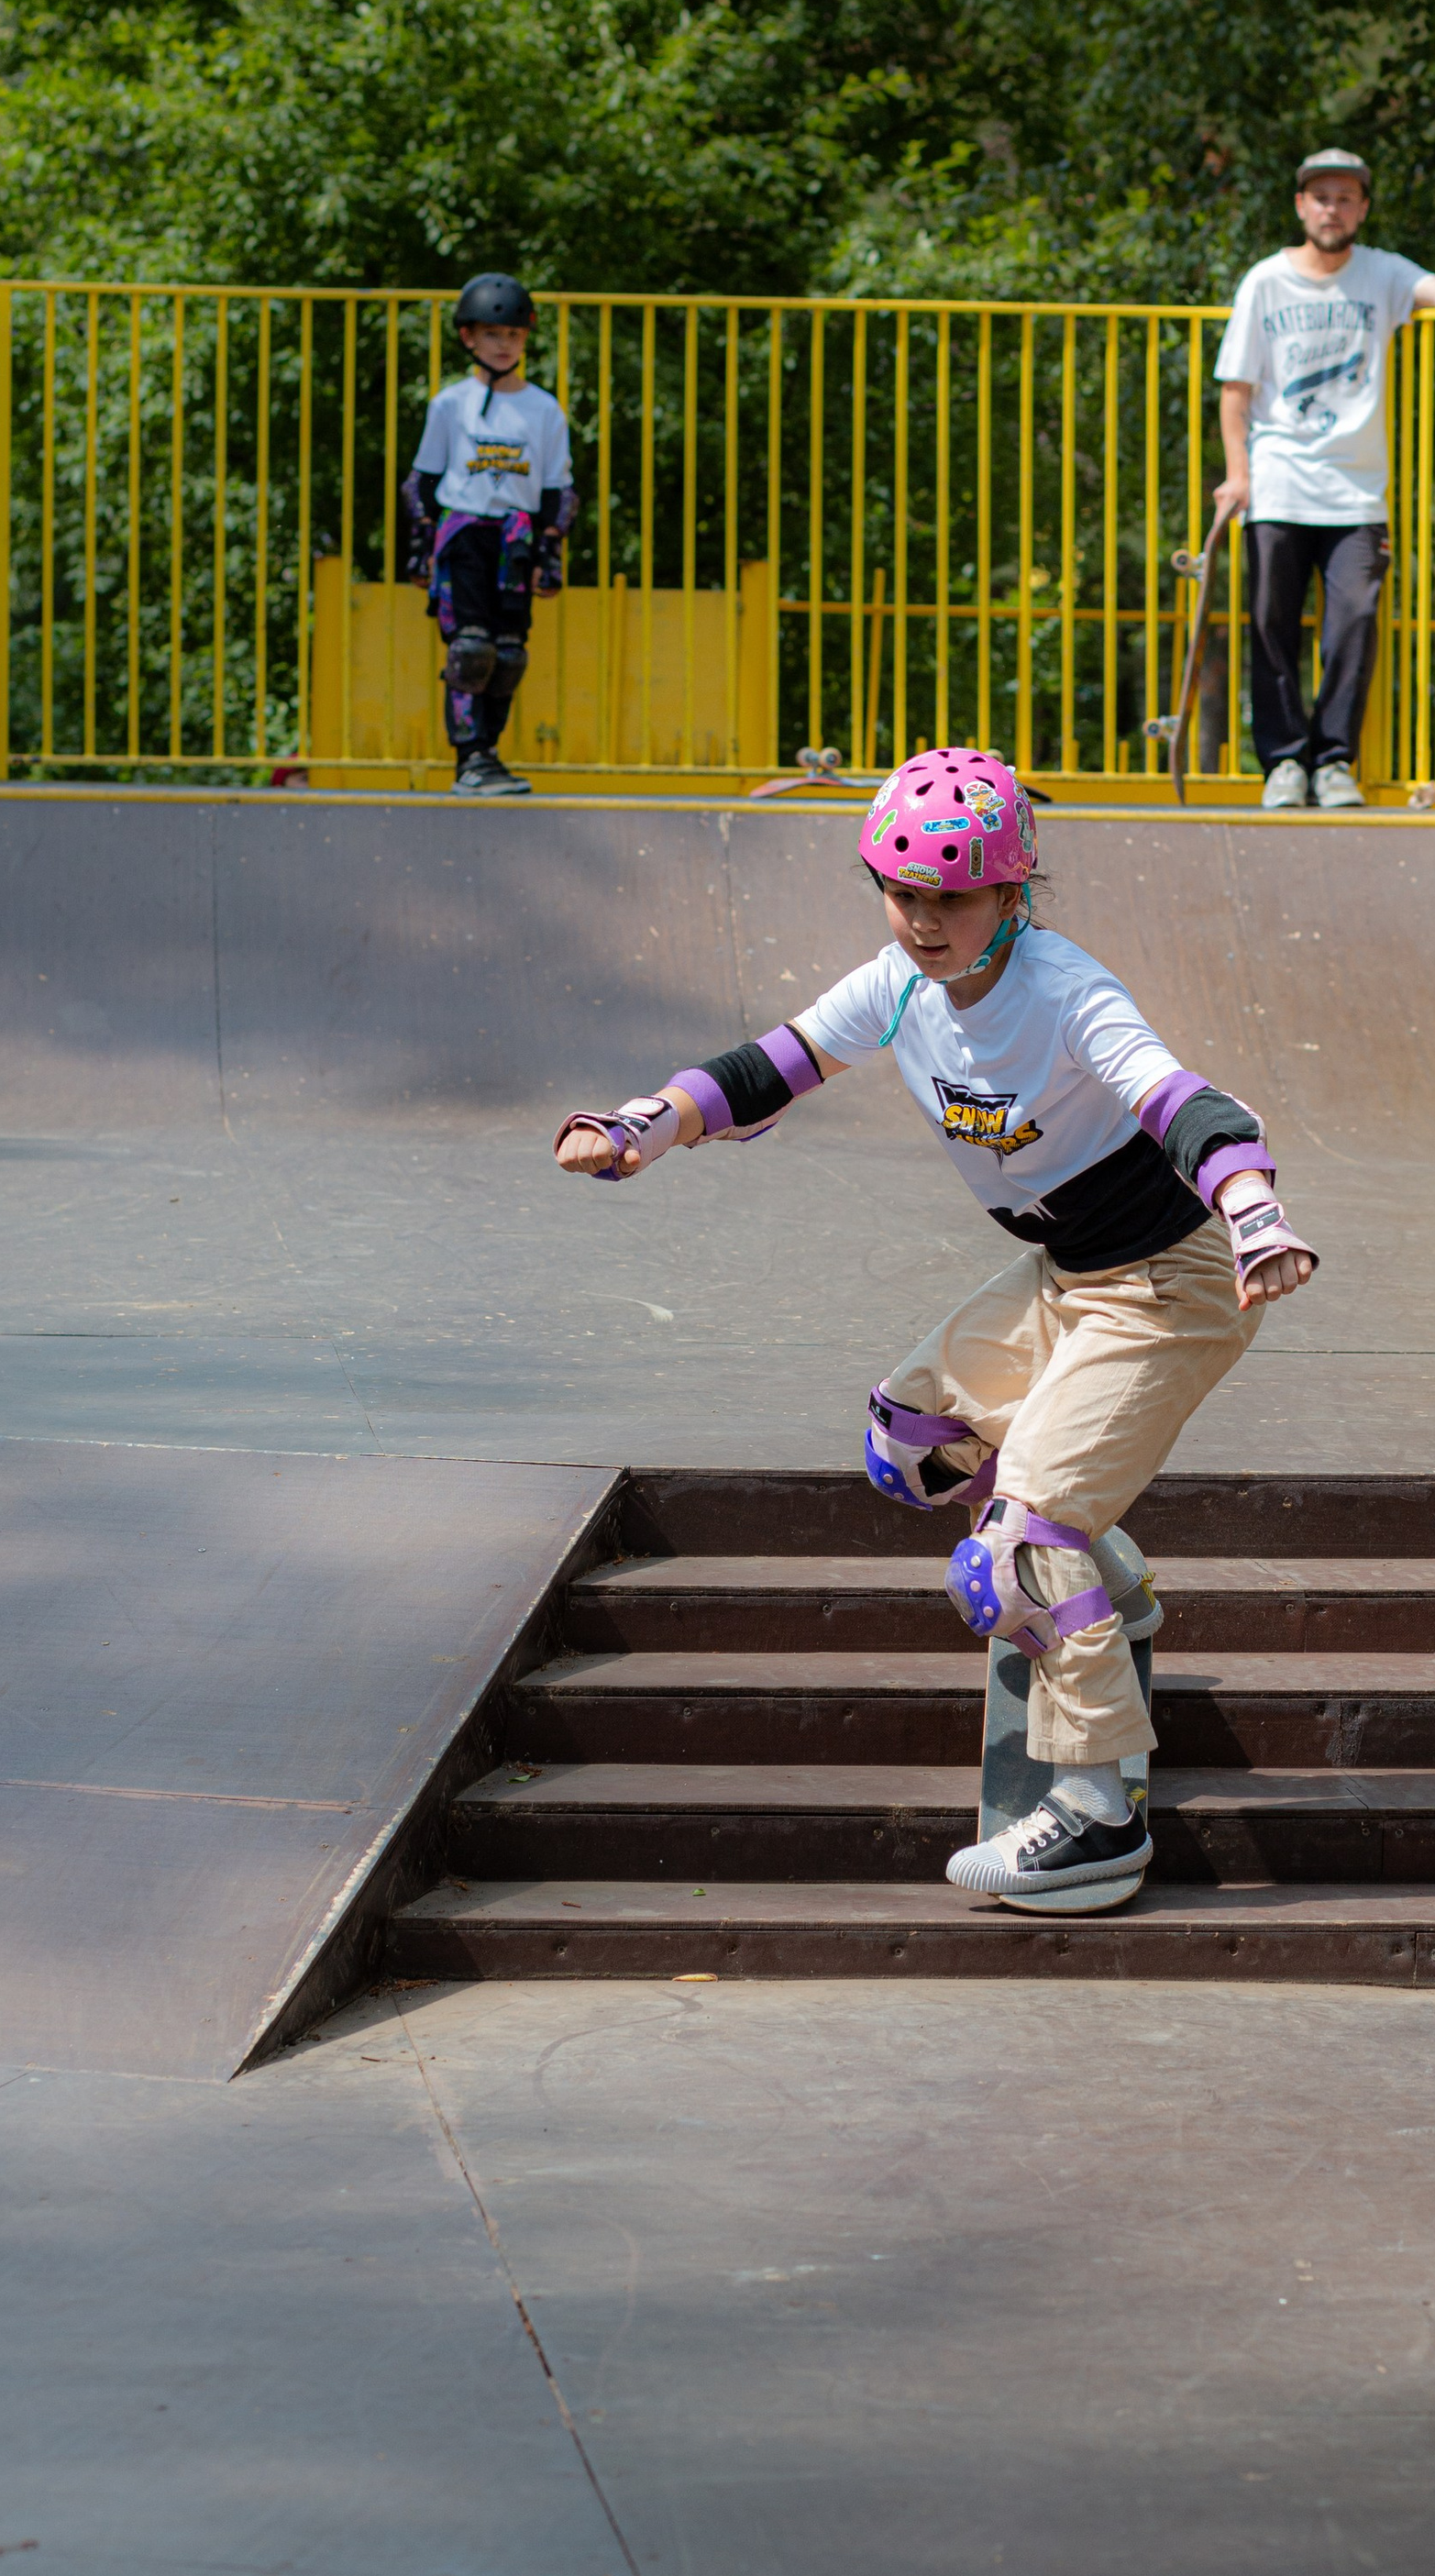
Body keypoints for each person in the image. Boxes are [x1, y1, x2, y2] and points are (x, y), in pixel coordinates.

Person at [551, 750, 1316, 1910]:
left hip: (1172, 1281)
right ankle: (1106, 1578)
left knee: (1021, 1544)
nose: (921, 922)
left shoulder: (1065, 993)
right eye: (903, 893)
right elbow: (776, 1062)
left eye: (950, 897)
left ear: (1012, 893)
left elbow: (1179, 1100)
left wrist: (1255, 1207)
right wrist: (644, 1126)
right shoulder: (897, 985)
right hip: (1066, 1271)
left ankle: (1099, 1815)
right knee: (916, 1441)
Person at [1214, 151, 1435, 812]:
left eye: (1347, 198)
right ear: (1301, 206)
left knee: (1353, 622)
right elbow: (1236, 390)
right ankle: (1282, 764)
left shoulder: (1380, 273)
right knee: (1271, 624)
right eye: (1321, 197)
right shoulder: (1265, 282)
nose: (1333, 208)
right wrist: (1238, 475)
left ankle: (1332, 761)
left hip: (1355, 494)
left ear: (1363, 208)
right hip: (1278, 485)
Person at [401, 271, 577, 797]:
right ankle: (468, 756)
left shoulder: (544, 409)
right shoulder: (449, 405)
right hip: (463, 536)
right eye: (493, 335)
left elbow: (557, 490)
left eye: (514, 336)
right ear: (467, 338)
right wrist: (420, 547)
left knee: (508, 652)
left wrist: (550, 552)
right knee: (469, 649)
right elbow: (423, 482)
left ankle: (490, 754)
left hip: (515, 541)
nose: (504, 345)